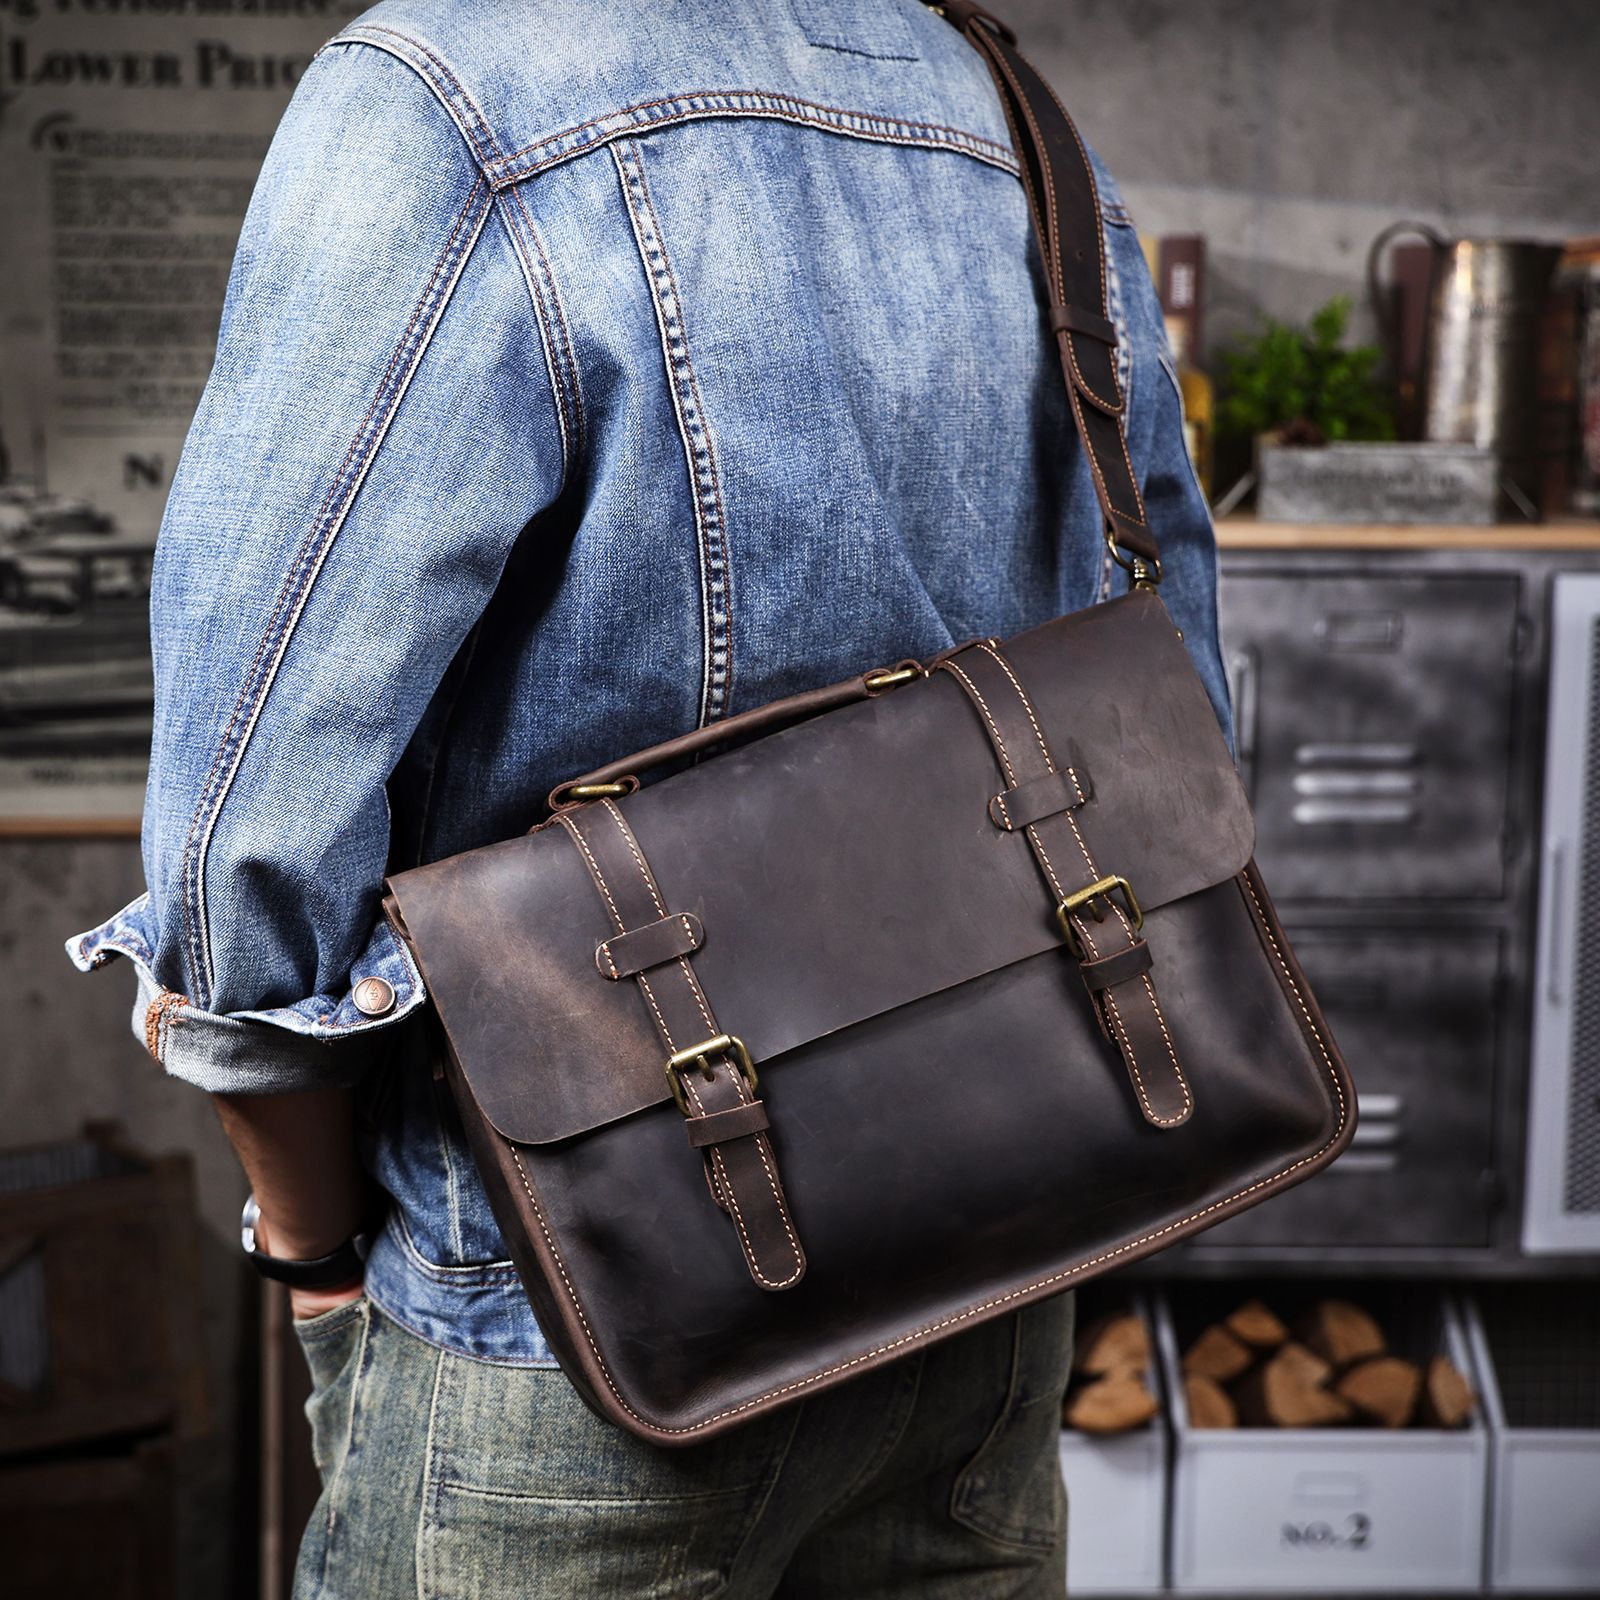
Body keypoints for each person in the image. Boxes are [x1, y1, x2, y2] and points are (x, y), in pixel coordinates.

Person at [67, 1, 1228, 1594]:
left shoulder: (443, 97)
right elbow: (1175, 675)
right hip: (995, 1266)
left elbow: (248, 824)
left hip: (566, 1317)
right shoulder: (1008, 110)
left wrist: (317, 1252)